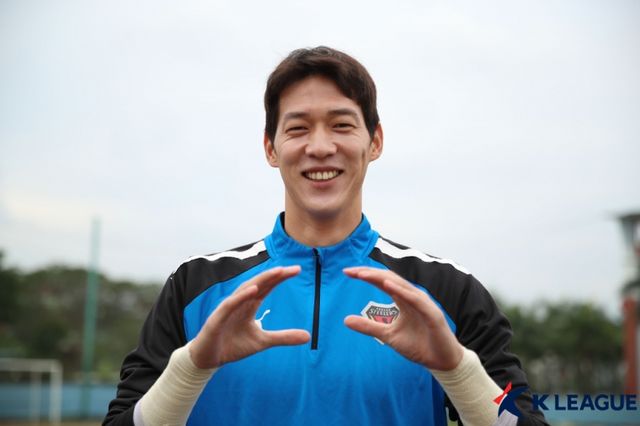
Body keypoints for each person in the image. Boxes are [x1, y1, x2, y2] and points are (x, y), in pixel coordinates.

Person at [104, 46, 547, 426]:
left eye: (341, 125)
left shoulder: (446, 291)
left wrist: (457, 370)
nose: (319, 147)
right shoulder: (195, 286)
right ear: (270, 147)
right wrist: (191, 369)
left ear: (375, 142)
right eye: (297, 128)